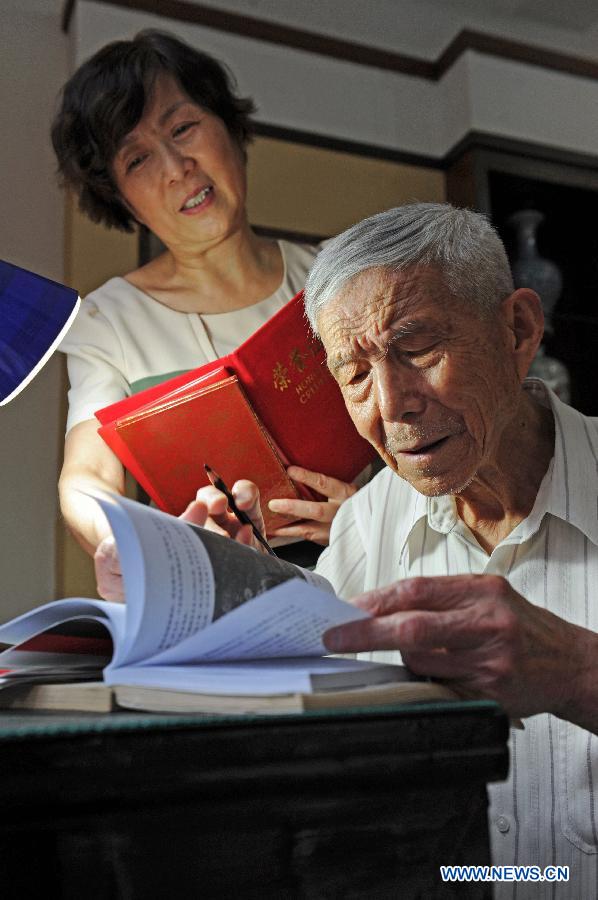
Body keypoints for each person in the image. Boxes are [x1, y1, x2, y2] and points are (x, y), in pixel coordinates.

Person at [162, 203, 598, 897]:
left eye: (418, 347)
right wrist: (238, 605)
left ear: (517, 330)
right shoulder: (365, 524)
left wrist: (581, 672)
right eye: (354, 373)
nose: (391, 406)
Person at [53, 29, 355, 571]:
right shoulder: (106, 320)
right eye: (138, 160)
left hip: (362, 583)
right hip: (206, 599)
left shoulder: (341, 275)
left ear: (231, 128)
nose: (175, 167)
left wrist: (369, 517)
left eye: (184, 128)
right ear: (120, 198)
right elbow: (87, 478)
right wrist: (131, 546)